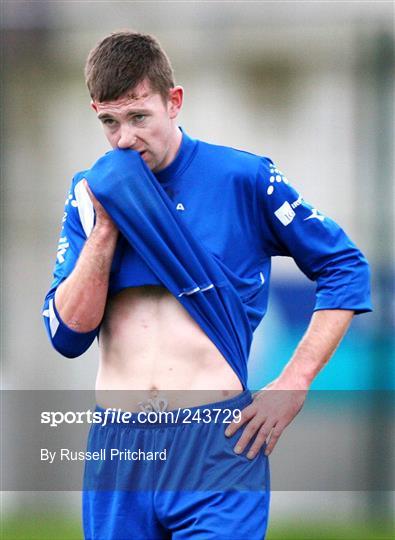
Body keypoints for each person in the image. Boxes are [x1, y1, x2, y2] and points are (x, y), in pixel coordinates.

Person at [42, 31, 372, 540]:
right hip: (118, 447)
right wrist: (106, 228)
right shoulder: (90, 194)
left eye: (139, 117)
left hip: (214, 443)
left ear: (173, 102)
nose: (125, 138)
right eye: (109, 122)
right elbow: (67, 334)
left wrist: (294, 382)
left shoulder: (243, 178)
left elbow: (345, 266)